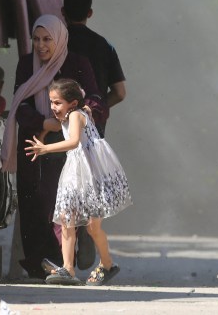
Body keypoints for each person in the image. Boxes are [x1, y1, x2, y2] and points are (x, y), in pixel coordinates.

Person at [1, 14, 108, 279]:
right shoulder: (27, 64)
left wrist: (76, 117)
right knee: (33, 204)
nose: (41, 45)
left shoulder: (77, 64)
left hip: (68, 149)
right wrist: (44, 123)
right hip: (33, 145)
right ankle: (40, 264)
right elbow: (19, 103)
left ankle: (66, 262)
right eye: (36, 39)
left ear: (59, 39)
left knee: (62, 206)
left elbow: (95, 100)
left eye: (47, 39)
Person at [24, 78, 132, 286]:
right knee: (66, 220)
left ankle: (108, 264)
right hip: (75, 173)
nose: (53, 107)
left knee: (93, 227)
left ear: (72, 104)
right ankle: (68, 268)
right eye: (51, 102)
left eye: (57, 103)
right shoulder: (68, 116)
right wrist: (43, 133)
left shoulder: (76, 115)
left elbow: (73, 141)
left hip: (90, 174)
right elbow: (56, 125)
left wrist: (45, 148)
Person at [62, 0, 128, 270]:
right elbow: (120, 92)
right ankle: (89, 236)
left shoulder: (56, 42)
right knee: (88, 188)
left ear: (62, 11)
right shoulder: (104, 46)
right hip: (93, 135)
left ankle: (64, 257)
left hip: (57, 131)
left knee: (63, 192)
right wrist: (92, 115)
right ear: (90, 12)